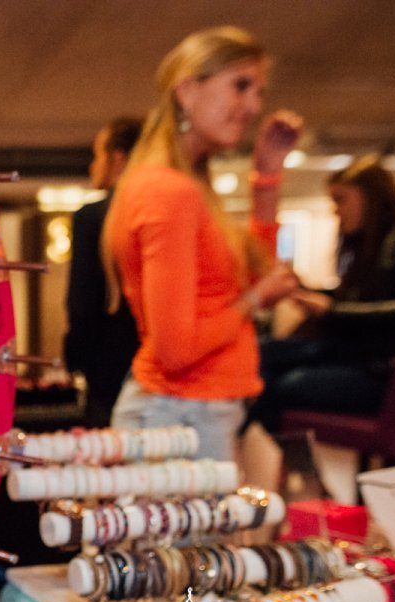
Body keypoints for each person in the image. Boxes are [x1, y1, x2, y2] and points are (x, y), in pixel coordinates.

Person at [104, 26, 302, 461]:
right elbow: (176, 350)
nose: (254, 106)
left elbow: (252, 275)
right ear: (188, 90)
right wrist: (255, 300)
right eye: (241, 86)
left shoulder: (186, 187)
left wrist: (266, 178)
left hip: (190, 411)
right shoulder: (169, 192)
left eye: (258, 92)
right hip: (177, 415)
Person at [250, 157, 395, 431]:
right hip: (352, 352)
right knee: (259, 354)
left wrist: (331, 310)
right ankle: (264, 446)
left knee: (279, 383)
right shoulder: (363, 244)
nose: (335, 210)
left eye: (341, 200)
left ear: (371, 197)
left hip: (382, 368)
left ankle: (276, 450)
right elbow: (359, 299)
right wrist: (304, 291)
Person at [64, 116, 143, 428]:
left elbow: (81, 302)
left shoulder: (93, 217)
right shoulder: (160, 213)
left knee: (108, 449)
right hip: (155, 363)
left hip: (107, 363)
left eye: (97, 156)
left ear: (118, 159)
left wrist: (74, 358)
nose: (92, 166)